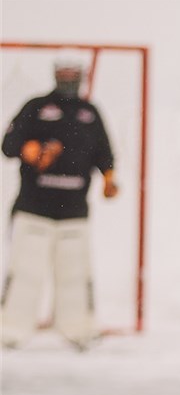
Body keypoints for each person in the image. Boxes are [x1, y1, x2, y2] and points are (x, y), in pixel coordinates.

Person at [1, 57, 119, 351]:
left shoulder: (89, 113)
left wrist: (109, 177)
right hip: (34, 208)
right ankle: (11, 329)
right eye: (63, 73)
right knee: (26, 273)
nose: (68, 78)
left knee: (76, 275)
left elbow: (105, 154)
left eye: (73, 73)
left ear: (82, 75)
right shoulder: (36, 107)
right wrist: (29, 149)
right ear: (55, 74)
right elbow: (9, 144)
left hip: (75, 212)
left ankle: (78, 328)